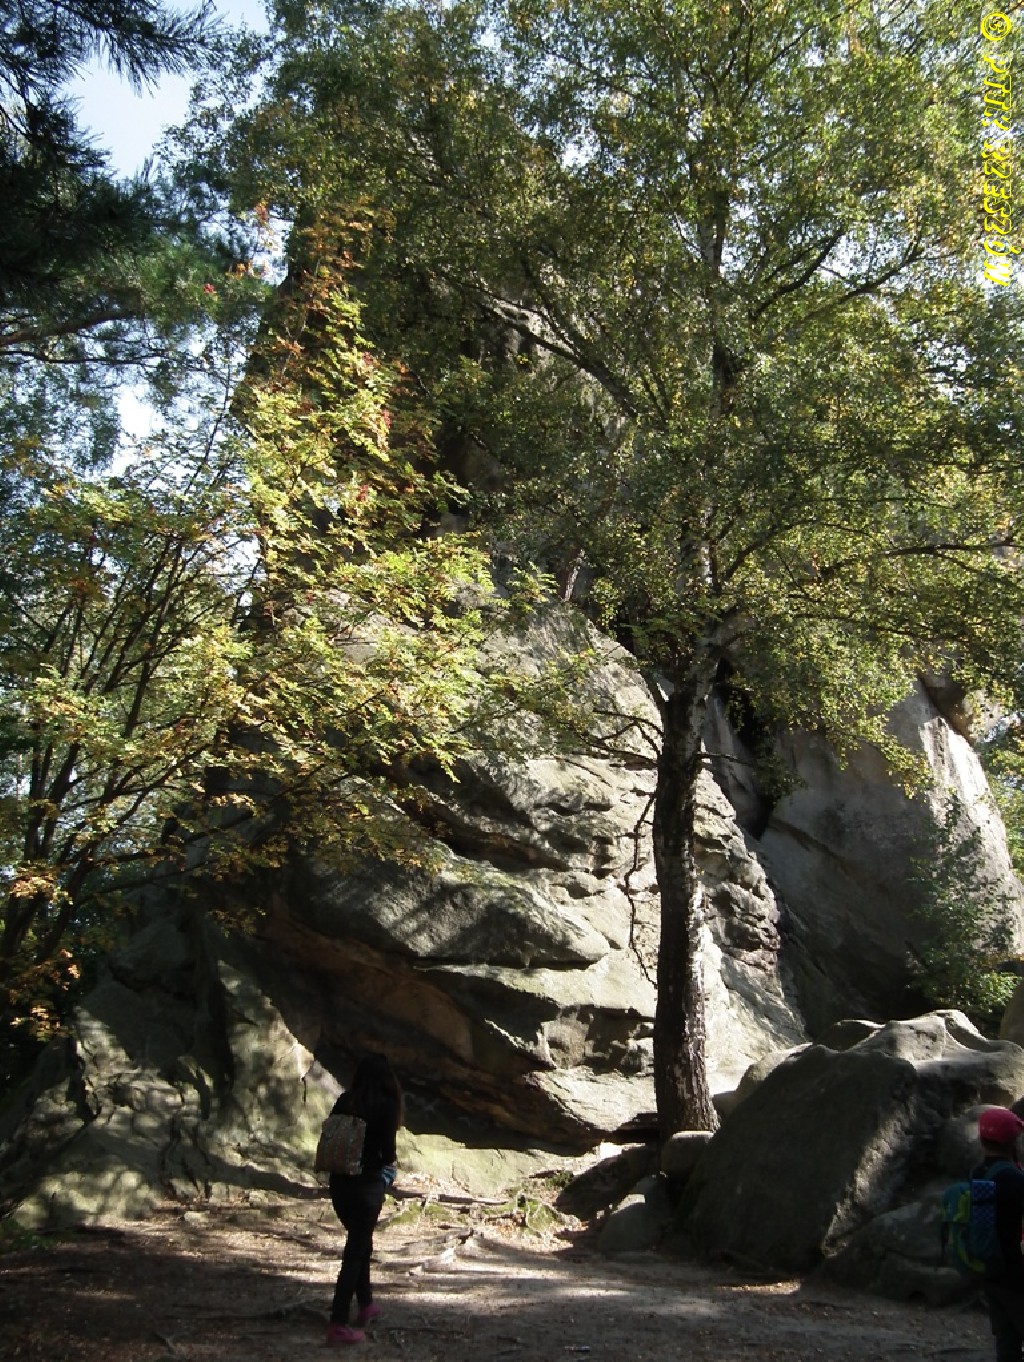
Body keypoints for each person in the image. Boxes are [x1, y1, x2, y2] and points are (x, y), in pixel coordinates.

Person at [326, 1053, 402, 1346]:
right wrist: (388, 1170)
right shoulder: (387, 1105)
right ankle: (338, 1322)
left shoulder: (345, 1101)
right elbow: (388, 1152)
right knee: (355, 1252)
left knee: (360, 1244)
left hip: (339, 1182)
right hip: (366, 1185)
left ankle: (366, 1303)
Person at [977, 1106, 1024, 1362]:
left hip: (989, 1267)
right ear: (1013, 1141)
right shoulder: (1015, 1180)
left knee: (1006, 1340)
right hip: (1016, 1272)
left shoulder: (977, 1173)